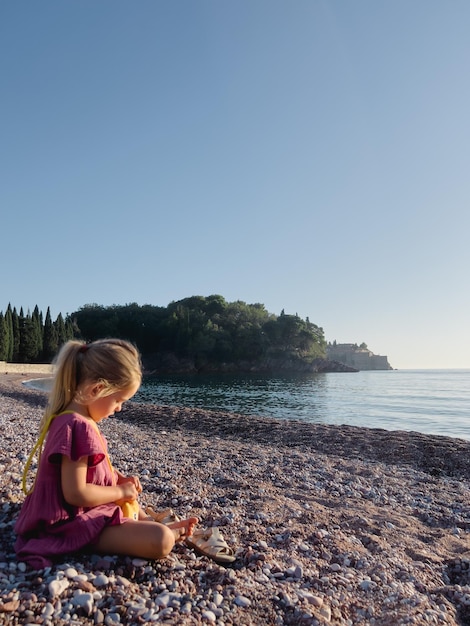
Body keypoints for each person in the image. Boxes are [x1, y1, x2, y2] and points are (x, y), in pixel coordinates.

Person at [15, 339, 198, 569]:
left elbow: (90, 470)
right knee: (161, 542)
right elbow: (76, 493)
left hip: (80, 513)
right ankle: (148, 531)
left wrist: (117, 479)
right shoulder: (76, 425)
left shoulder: (75, 419)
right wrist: (119, 490)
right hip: (66, 523)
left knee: (132, 501)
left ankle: (147, 522)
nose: (119, 408)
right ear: (97, 389)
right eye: (118, 400)